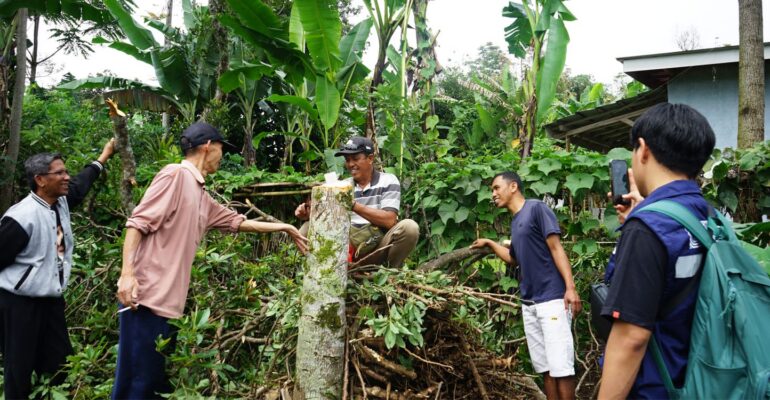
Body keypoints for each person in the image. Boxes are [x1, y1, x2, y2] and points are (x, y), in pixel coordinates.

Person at [112, 122, 307, 399]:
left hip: (168, 306)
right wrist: (127, 274)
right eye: (220, 149)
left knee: (153, 385)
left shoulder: (200, 193)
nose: (222, 156)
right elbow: (137, 223)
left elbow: (239, 222)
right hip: (144, 299)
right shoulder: (175, 175)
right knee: (135, 385)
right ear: (208, 146)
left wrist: (286, 228)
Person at [597, 103, 716, 399]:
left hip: (657, 387)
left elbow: (631, 339)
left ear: (643, 149)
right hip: (703, 380)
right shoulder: (710, 216)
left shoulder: (648, 228)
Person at [0, 139, 115, 399]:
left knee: (58, 365)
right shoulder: (22, 217)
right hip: (19, 305)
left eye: (66, 171)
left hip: (51, 302)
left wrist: (105, 155)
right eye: (60, 173)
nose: (67, 177)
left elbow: (82, 182)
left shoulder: (60, 203)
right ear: (41, 180)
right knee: (19, 369)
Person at [471, 171, 580, 400]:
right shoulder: (516, 221)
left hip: (551, 298)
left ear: (513, 187)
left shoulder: (536, 209)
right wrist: (491, 244)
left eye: (496, 188)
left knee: (562, 368)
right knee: (546, 369)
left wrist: (570, 288)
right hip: (529, 302)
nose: (493, 194)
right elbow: (514, 258)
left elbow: (556, 248)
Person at [294, 136, 419, 268]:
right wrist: (307, 214)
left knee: (409, 228)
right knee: (306, 229)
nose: (351, 164)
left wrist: (353, 205)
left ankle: (390, 272)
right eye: (347, 160)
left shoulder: (388, 181)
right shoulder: (342, 186)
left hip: (377, 248)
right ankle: (326, 271)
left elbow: (389, 221)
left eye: (355, 159)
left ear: (370, 158)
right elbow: (327, 218)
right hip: (346, 248)